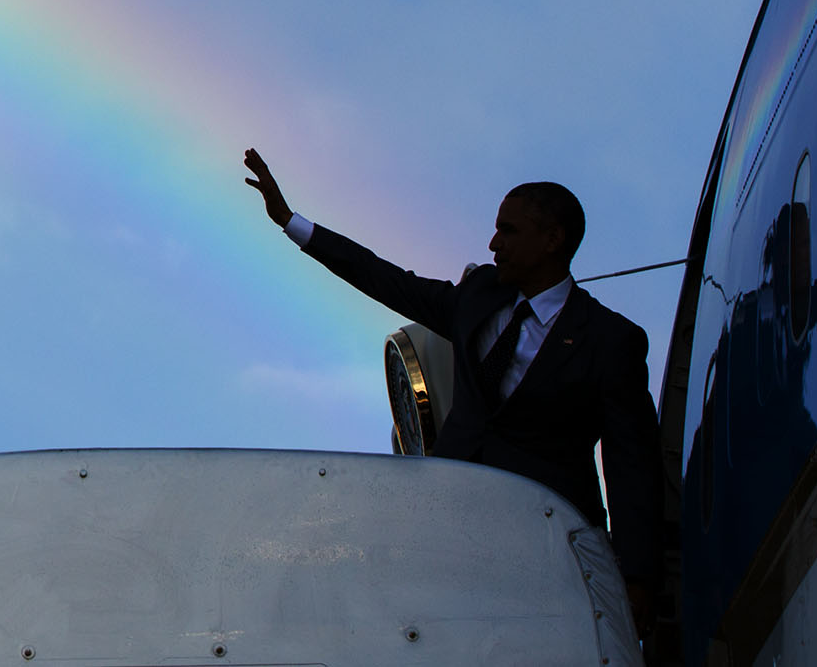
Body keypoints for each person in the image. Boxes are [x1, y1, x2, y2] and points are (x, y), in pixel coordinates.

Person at [242, 148, 666, 639]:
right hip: (450, 530)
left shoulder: (611, 341)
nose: (493, 243)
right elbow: (388, 281)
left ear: (553, 240)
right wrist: (291, 222)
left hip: (546, 549)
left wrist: (637, 582)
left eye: (508, 230)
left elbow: (633, 464)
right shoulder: (479, 295)